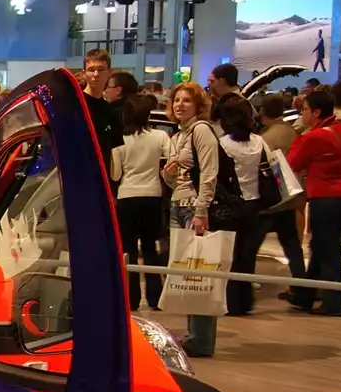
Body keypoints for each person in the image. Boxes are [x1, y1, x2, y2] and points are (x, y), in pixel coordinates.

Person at [220, 94, 305, 315]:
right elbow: (272, 165)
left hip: (231, 204)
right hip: (255, 203)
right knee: (247, 255)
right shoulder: (258, 141)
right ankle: (244, 301)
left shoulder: (223, 144)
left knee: (231, 255)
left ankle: (231, 301)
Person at [285, 88, 341, 317]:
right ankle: (305, 296)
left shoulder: (313, 136)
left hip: (326, 199)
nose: (301, 113)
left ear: (316, 112)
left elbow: (292, 162)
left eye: (304, 109)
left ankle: (334, 303)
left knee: (328, 252)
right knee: (320, 247)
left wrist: (301, 135)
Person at [163, 80, 223, 357]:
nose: (179, 105)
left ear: (198, 105)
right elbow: (172, 179)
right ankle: (194, 335)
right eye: (176, 100)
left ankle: (201, 338)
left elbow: (210, 171)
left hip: (193, 206)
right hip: (178, 204)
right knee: (188, 275)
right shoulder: (178, 135)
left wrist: (201, 210)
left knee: (200, 274)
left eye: (186, 100)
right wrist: (168, 173)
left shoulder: (201, 130)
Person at [112, 94, 168, 312]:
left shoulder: (119, 140)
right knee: (150, 248)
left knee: (128, 250)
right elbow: (170, 159)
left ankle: (131, 298)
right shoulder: (160, 136)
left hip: (127, 196)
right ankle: (155, 298)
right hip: (152, 196)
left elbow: (116, 175)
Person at [80, 48, 124, 159]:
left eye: (101, 69)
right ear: (84, 73)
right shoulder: (74, 105)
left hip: (103, 168)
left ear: (109, 72)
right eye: (91, 70)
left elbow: (115, 151)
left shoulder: (111, 112)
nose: (96, 74)